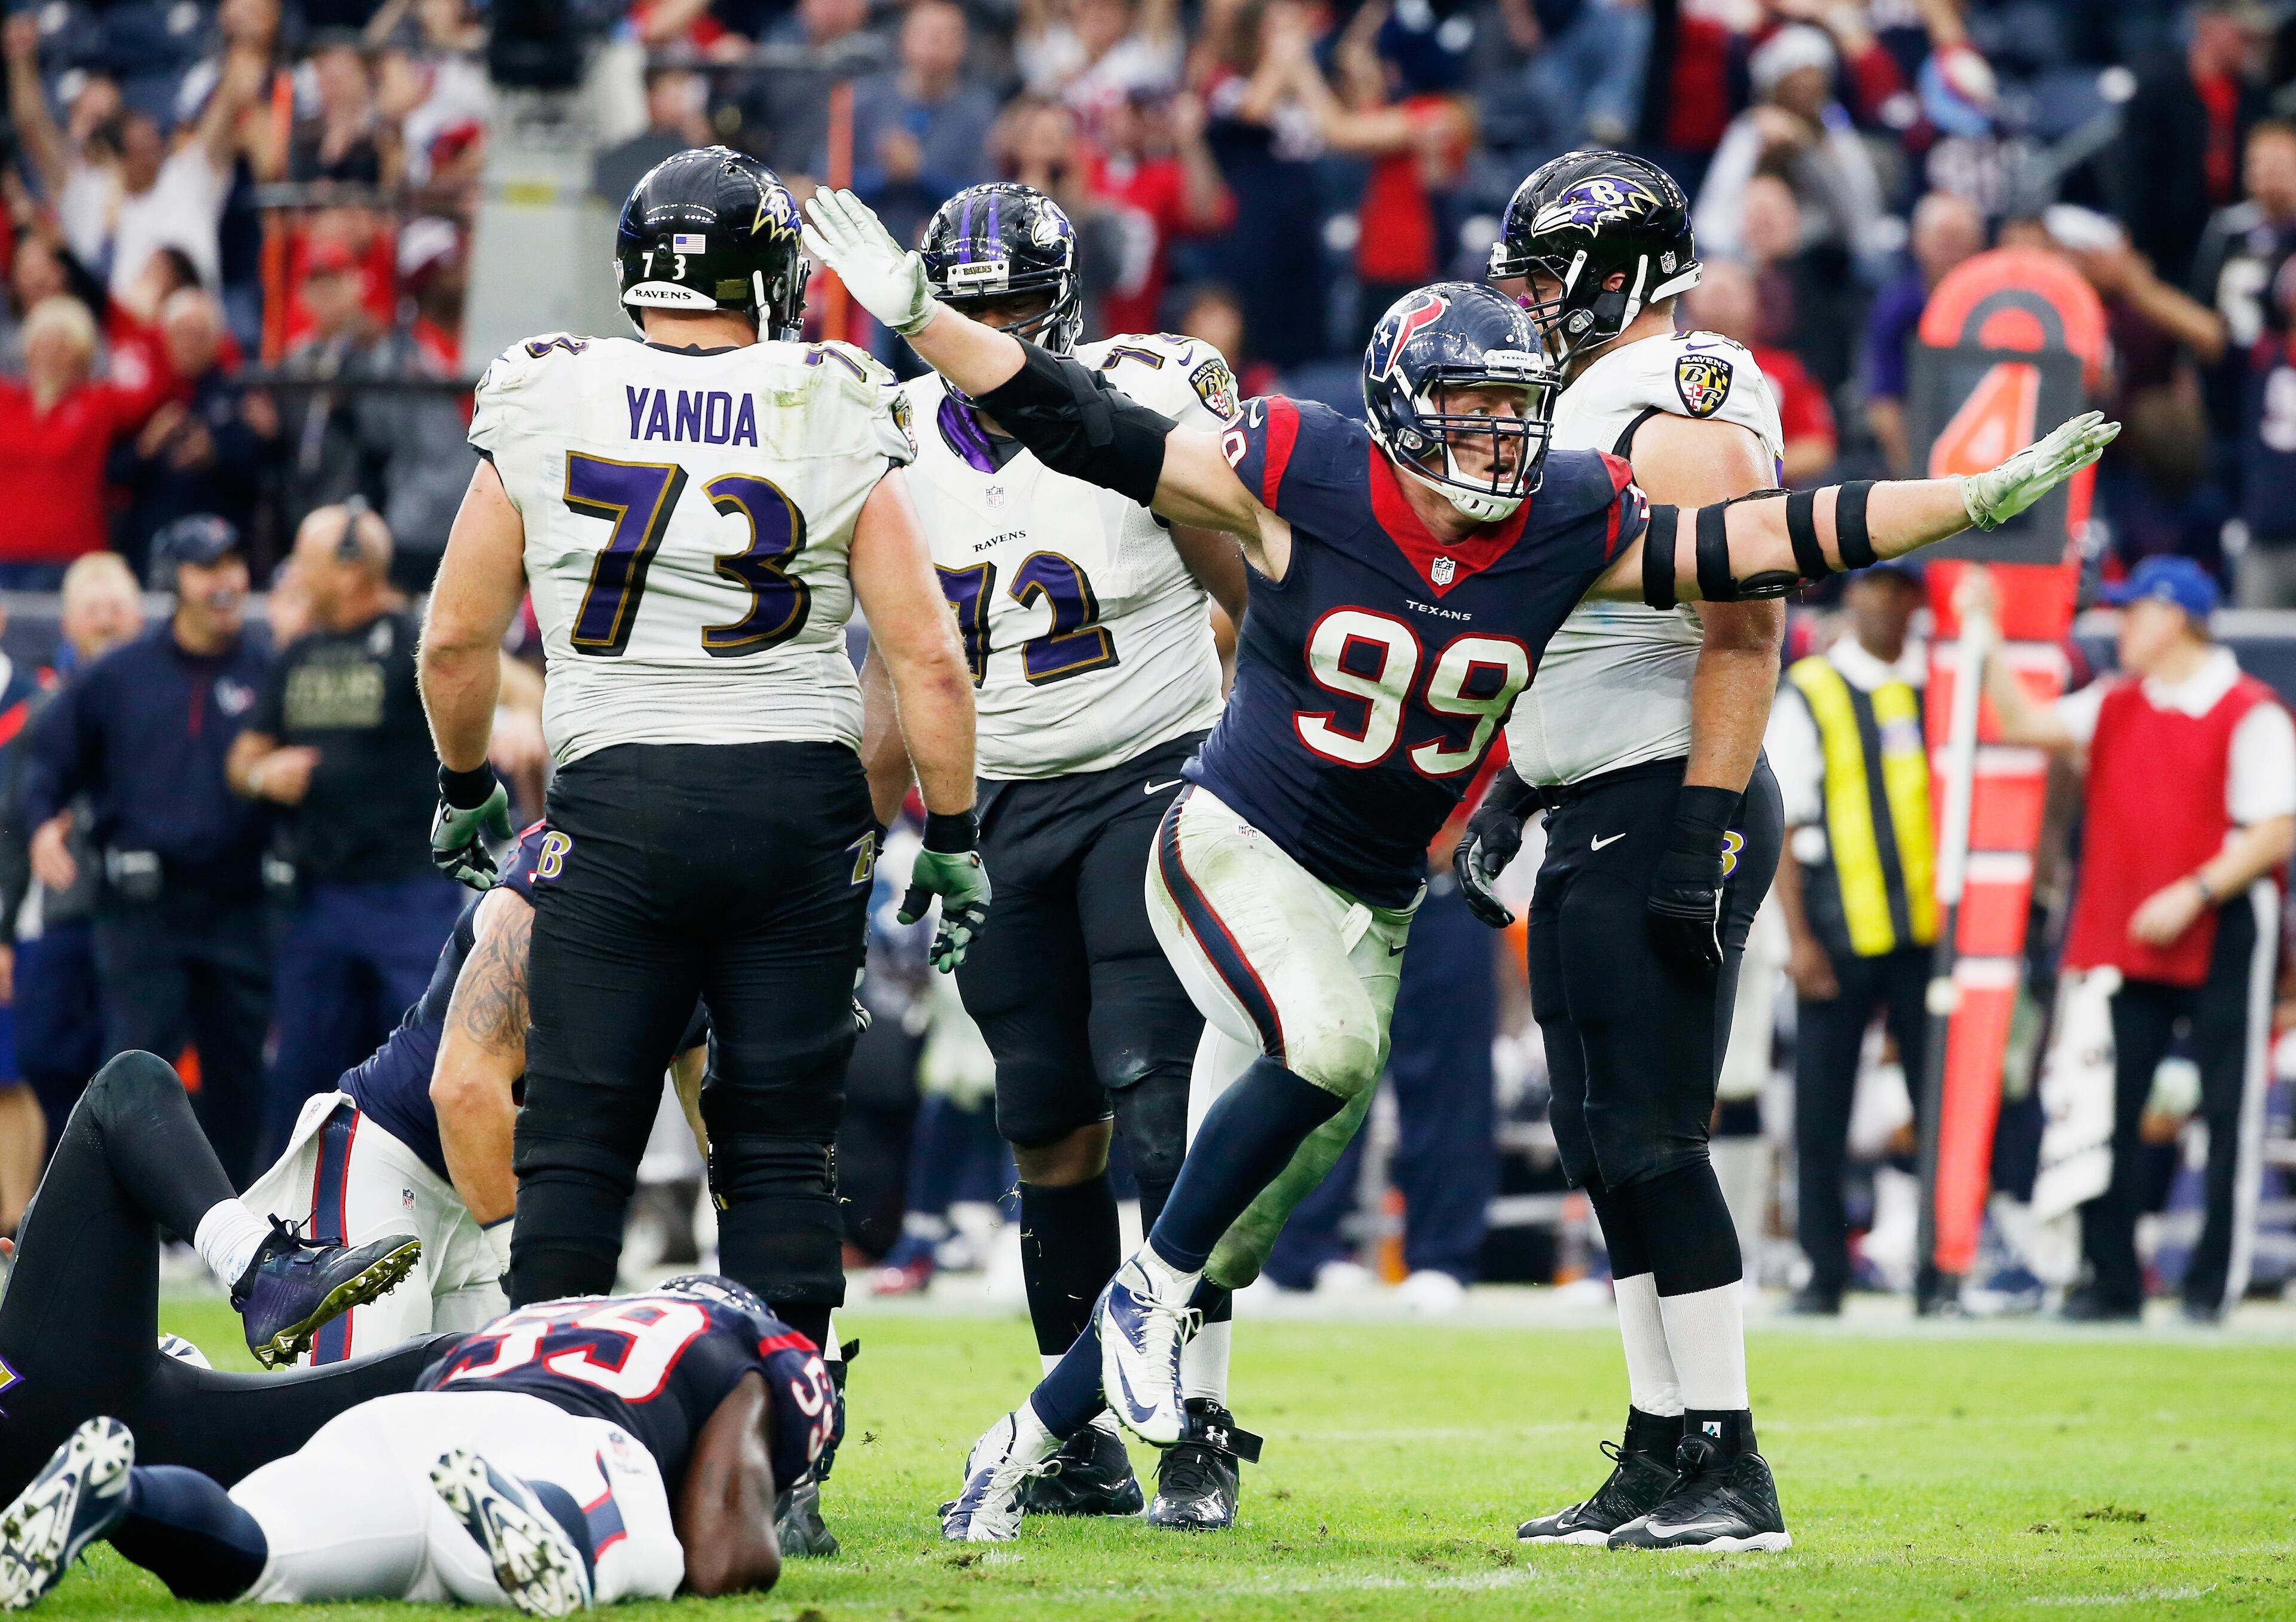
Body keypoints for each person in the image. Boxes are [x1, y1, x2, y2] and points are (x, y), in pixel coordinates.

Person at [798, 181, 2115, 1542]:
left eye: (1511, 409)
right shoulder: (1304, 465)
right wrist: (926, 320)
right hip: (1233, 843)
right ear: (1396, 406)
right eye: (1466, 409)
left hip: (1367, 900)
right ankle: (1138, 1312)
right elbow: (1085, 421)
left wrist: (1963, 500)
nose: (1495, 437)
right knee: (1299, 1055)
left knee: (1238, 1213)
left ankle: (1033, 1428)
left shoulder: (1558, 518)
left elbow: (1759, 541)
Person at [416, 150, 981, 1410]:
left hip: (619, 805)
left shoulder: (548, 390)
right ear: (769, 272)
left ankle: (548, 1421)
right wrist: (953, 826)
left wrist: (464, 786)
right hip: (797, 808)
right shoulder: (832, 393)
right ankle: (788, 1449)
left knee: (577, 1135)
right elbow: (926, 659)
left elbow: (456, 638)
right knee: (779, 1143)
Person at [888, 181, 1250, 1528]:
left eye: (1012, 309)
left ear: (1065, 309)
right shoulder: (898, 435)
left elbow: (1253, 590)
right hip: (1003, 811)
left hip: (1156, 776)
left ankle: (1200, 1420)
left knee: (1161, 1099)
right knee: (1043, 1120)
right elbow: (897, 665)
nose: (988, 333)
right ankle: (1075, 1426)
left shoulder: (1139, 395)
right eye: (966, 310)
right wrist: (877, 825)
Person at [1457, 150, 1789, 1550]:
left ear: (1613, 270)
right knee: (1598, 1139)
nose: (1529, 299)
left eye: (1543, 272)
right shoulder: (1584, 401)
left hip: (1670, 795)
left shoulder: (1680, 397)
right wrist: (1510, 788)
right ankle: (1658, 1445)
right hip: (1596, 790)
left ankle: (1728, 1461)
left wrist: (1702, 828)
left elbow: (1742, 623)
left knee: (1651, 1136)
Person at [0, 1273, 827, 1612]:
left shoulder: (543, 1318)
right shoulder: (732, 1342)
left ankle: (126, 1495)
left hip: (404, 1426)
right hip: (563, 1438)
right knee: (644, 1548)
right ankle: (546, 1527)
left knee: (261, 1557)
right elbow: (727, 1560)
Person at [1968, 556, 2295, 1324]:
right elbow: (2025, 722)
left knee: (2228, 1109)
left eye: (2134, 612)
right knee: (2106, 1104)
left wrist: (2197, 890)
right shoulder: (2118, 701)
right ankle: (2109, 1278)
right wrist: (1983, 633)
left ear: (2174, 615)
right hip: (2130, 933)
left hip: (2221, 925)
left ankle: (2211, 1286)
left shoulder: (2249, 709)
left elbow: (2278, 825)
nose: (2120, 627)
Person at [0, 1050, 432, 1504]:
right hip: (25, 1402)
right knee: (127, 1083)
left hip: (120, 1413)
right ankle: (259, 1273)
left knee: (442, 1368)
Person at [17, 516, 274, 1184]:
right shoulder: (119, 675)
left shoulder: (267, 669)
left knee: (239, 1070)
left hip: (240, 900)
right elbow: (48, 760)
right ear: (174, 581)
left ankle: (237, 1226)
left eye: (235, 563)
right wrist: (44, 821)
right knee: (135, 1067)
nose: (227, 581)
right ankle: (127, 1221)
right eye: (207, 567)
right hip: (141, 906)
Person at [228, 505, 468, 1158]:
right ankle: (284, 1225)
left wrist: (521, 717)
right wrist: (262, 775)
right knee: (303, 1069)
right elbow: (242, 757)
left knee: (429, 1059)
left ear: (352, 564)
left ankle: (449, 1202)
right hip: (319, 895)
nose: (296, 572)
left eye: (308, 558)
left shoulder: (420, 636)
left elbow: (506, 683)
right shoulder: (300, 650)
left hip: (409, 890)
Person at [1764, 562, 1937, 1316]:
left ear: (1913, 599)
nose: (1875, 598)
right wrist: (1798, 939)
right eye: (1865, 584)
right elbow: (1783, 821)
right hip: (1839, 930)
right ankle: (1822, 1268)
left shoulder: (1948, 689)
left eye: (1892, 586)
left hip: (1933, 936)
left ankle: (1942, 1262)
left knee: (1941, 1106)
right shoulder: (1814, 689)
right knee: (1821, 1109)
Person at [2, 556, 145, 1146]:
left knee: (137, 1059)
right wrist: (5, 930)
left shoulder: (170, 699)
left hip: (150, 913)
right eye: (93, 610)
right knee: (45, 1049)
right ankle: (80, 1180)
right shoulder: (43, 712)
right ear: (67, 624)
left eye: (116, 608)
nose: (106, 621)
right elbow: (15, 824)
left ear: (139, 617)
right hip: (64, 907)